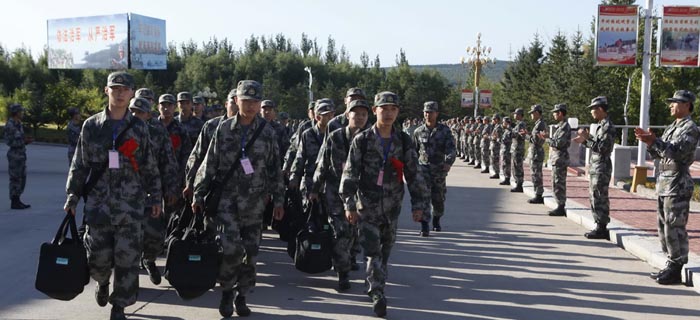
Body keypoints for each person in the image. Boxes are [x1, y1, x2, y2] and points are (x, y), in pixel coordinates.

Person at [63, 72, 162, 320]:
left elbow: (149, 164)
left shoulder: (139, 127)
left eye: (125, 89)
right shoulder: (91, 126)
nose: (119, 93)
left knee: (128, 260)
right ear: (106, 91)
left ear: (131, 93)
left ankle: (120, 306)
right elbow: (79, 164)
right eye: (115, 88)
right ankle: (102, 281)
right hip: (99, 206)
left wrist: (155, 197)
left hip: (130, 206)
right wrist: (73, 195)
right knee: (98, 258)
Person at [192, 80, 284, 318]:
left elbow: (275, 169)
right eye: (246, 101)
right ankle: (226, 291)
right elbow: (209, 164)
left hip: (255, 204)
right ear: (236, 101)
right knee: (231, 249)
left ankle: (243, 295)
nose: (251, 106)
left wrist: (279, 200)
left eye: (255, 102)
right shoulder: (223, 129)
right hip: (227, 203)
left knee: (251, 253)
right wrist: (198, 193)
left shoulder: (267, 132)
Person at [339, 91, 427, 317]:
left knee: (385, 253)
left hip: (392, 208)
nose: (388, 113)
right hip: (367, 207)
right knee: (372, 252)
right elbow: (349, 173)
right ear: (375, 110)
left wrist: (419, 205)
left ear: (398, 112)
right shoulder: (363, 140)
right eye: (384, 108)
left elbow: (414, 174)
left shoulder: (404, 141)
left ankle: (377, 283)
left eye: (393, 109)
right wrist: (349, 204)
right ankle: (377, 292)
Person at [636, 90, 698, 285]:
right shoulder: (672, 127)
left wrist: (655, 141)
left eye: (675, 102)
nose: (671, 106)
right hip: (665, 182)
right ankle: (670, 262)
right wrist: (650, 143)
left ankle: (677, 265)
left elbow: (678, 153)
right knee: (663, 226)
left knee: (674, 225)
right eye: (671, 102)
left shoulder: (690, 128)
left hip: (677, 183)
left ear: (687, 105)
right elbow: (660, 154)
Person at [310, 99, 370, 291]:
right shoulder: (335, 137)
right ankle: (342, 273)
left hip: (360, 196)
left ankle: (348, 258)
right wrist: (314, 189)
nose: (359, 117)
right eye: (355, 114)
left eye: (363, 114)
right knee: (341, 233)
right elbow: (322, 164)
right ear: (347, 115)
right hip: (335, 194)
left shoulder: (370, 139)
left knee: (354, 234)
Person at [128, 96, 179, 286]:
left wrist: (171, 188)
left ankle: (148, 259)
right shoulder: (120, 128)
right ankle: (128, 282)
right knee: (127, 239)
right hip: (124, 193)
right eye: (133, 111)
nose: (135, 115)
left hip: (150, 191)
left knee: (155, 236)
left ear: (149, 114)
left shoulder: (157, 132)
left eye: (140, 112)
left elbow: (168, 162)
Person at [574, 96, 616, 240]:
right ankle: (599, 224)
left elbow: (603, 148)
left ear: (600, 109)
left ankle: (602, 226)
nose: (592, 112)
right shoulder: (600, 125)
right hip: (596, 164)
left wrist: (587, 138)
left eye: (593, 109)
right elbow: (597, 144)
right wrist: (587, 140)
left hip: (602, 165)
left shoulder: (607, 126)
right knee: (594, 195)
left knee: (599, 196)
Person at [412, 101, 455, 235]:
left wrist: (448, 162)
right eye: (426, 112)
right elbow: (413, 151)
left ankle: (436, 219)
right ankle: (424, 225)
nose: (428, 114)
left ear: (436, 113)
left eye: (431, 112)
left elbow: (451, 149)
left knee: (438, 199)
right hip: (423, 170)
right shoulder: (418, 131)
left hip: (439, 171)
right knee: (424, 198)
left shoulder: (444, 131)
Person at [289, 100, 335, 203]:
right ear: (318, 117)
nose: (330, 118)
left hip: (330, 183)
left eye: (332, 115)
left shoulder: (336, 135)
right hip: (311, 180)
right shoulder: (308, 134)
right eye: (327, 116)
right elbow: (300, 157)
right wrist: (294, 176)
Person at [540, 103, 571, 216]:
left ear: (561, 113)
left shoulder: (564, 127)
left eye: (555, 113)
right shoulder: (560, 126)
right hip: (557, 158)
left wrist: (547, 139)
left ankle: (561, 206)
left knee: (559, 183)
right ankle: (559, 204)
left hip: (560, 159)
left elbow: (558, 143)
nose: (553, 115)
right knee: (556, 182)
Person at [5, 103, 33, 209]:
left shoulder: (18, 123)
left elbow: (19, 138)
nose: (22, 113)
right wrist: (23, 141)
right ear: (16, 112)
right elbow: (10, 142)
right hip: (14, 155)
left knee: (22, 178)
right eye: (20, 111)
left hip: (21, 154)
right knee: (15, 178)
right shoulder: (10, 125)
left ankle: (18, 199)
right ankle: (14, 201)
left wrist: (25, 141)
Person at [520, 105, 546, 203]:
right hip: (534, 152)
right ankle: (537, 193)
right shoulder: (537, 124)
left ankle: (538, 194)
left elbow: (536, 140)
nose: (531, 115)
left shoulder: (540, 124)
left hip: (537, 153)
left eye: (532, 113)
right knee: (534, 174)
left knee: (536, 174)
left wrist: (526, 136)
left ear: (537, 113)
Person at [511, 108, 526, 192]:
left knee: (518, 166)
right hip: (515, 148)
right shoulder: (518, 124)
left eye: (516, 114)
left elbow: (517, 135)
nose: (514, 115)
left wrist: (512, 132)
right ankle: (517, 183)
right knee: (515, 166)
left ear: (520, 115)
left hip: (518, 149)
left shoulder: (521, 124)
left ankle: (519, 184)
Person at [499, 117, 513, 186]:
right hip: (505, 149)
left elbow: (506, 140)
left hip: (507, 150)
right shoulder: (506, 130)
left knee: (506, 164)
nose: (502, 124)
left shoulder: (509, 130)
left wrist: (498, 139)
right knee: (504, 164)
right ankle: (506, 178)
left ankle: (507, 179)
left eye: (503, 122)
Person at [489, 114, 503, 179]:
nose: (492, 120)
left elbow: (498, 137)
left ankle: (497, 172)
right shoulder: (496, 126)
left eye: (493, 119)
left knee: (495, 159)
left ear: (497, 119)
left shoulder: (498, 127)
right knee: (493, 159)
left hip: (496, 146)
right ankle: (496, 172)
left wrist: (492, 137)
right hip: (494, 145)